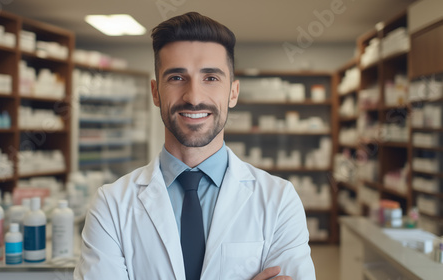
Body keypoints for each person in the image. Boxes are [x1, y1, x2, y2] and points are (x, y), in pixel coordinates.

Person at [74, 12, 316, 280]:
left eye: (211, 78)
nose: (194, 97)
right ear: (156, 92)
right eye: (177, 78)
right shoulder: (111, 205)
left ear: (233, 93)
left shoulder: (279, 200)